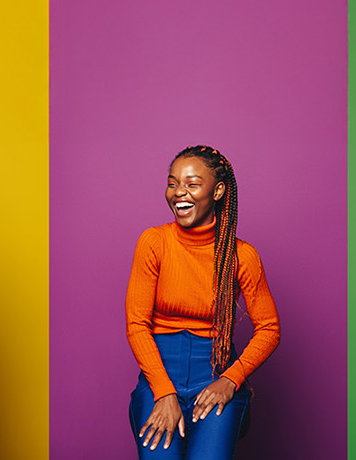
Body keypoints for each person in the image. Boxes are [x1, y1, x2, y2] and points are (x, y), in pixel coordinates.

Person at [126, 146, 279, 459]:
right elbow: (137, 324)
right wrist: (163, 393)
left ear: (218, 191)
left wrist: (230, 380)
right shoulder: (154, 242)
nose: (179, 192)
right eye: (172, 183)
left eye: (192, 184)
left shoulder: (242, 255)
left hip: (214, 378)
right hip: (159, 378)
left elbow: (269, 329)